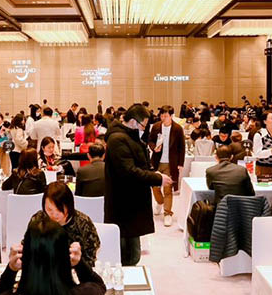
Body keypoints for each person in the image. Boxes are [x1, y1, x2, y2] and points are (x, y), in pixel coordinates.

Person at [105, 104, 169, 266]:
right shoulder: (117, 139)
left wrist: (153, 173)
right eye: (143, 125)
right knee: (127, 255)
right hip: (124, 204)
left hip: (132, 202)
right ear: (133, 121)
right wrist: (156, 178)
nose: (144, 129)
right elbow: (129, 171)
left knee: (132, 253)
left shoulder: (129, 137)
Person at [29, 181, 101, 268]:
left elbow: (90, 260)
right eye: (49, 209)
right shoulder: (38, 220)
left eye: (59, 209)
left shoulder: (83, 223)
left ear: (69, 205)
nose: (54, 214)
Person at [148, 106, 184, 228]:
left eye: (166, 116)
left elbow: (182, 147)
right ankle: (160, 202)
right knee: (154, 185)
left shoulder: (177, 129)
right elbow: (150, 141)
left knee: (168, 189)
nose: (163, 118)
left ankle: (168, 213)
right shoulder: (156, 126)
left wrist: (180, 163)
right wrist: (154, 147)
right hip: (157, 162)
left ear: (171, 116)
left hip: (171, 163)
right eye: (162, 115)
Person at [251, 110, 272, 179]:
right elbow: (257, 154)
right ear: (265, 121)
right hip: (263, 168)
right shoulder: (259, 135)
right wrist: (271, 151)